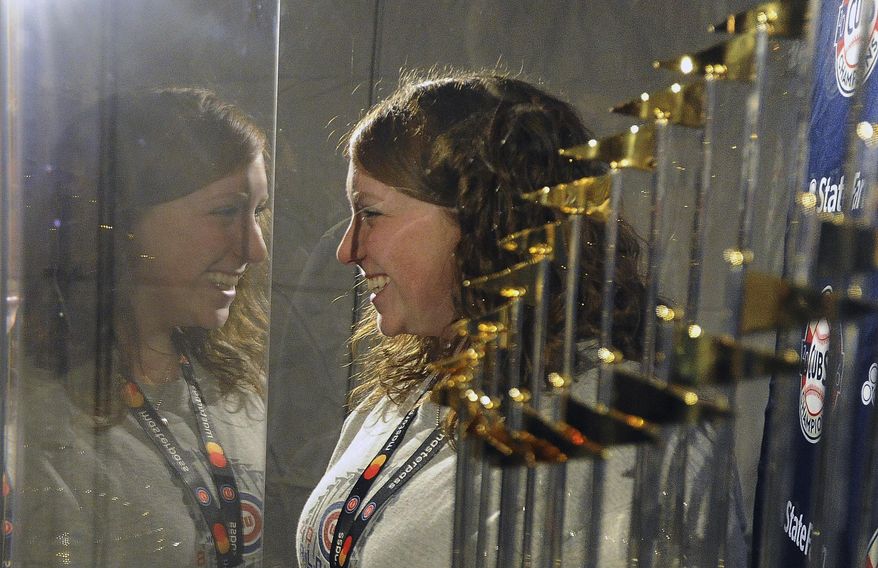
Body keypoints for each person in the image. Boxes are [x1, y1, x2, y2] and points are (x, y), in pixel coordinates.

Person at [297, 71, 747, 567]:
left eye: (372, 214)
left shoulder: (626, 441)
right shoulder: (415, 380)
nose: (347, 250)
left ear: (485, 220)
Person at [15, 87, 270, 567]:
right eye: (226, 211)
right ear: (120, 222)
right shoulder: (43, 416)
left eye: (257, 212)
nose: (255, 249)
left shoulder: (233, 385)